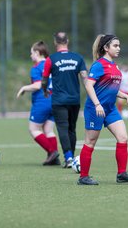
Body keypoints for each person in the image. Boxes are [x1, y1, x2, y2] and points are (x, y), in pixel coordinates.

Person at [77, 34, 128, 185]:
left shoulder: (115, 66)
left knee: (123, 137)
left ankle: (122, 174)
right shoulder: (99, 65)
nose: (119, 48)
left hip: (110, 109)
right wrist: (98, 104)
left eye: (119, 45)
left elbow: (111, 88)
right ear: (106, 48)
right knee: (90, 142)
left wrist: (125, 96)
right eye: (115, 46)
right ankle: (83, 177)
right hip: (95, 109)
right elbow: (88, 85)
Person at [42, 32, 88, 168]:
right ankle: (72, 158)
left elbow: (44, 80)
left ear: (55, 42)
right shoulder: (78, 58)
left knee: (62, 128)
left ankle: (68, 158)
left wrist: (45, 90)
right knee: (72, 129)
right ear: (67, 41)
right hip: (74, 100)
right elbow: (85, 78)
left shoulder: (51, 59)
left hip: (59, 101)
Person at [17, 41, 60, 166]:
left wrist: (24, 88)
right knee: (48, 129)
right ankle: (54, 158)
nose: (30, 56)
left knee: (33, 129)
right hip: (55, 101)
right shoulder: (52, 64)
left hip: (42, 101)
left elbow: (38, 85)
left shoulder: (36, 68)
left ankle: (52, 152)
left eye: (31, 53)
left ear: (37, 53)